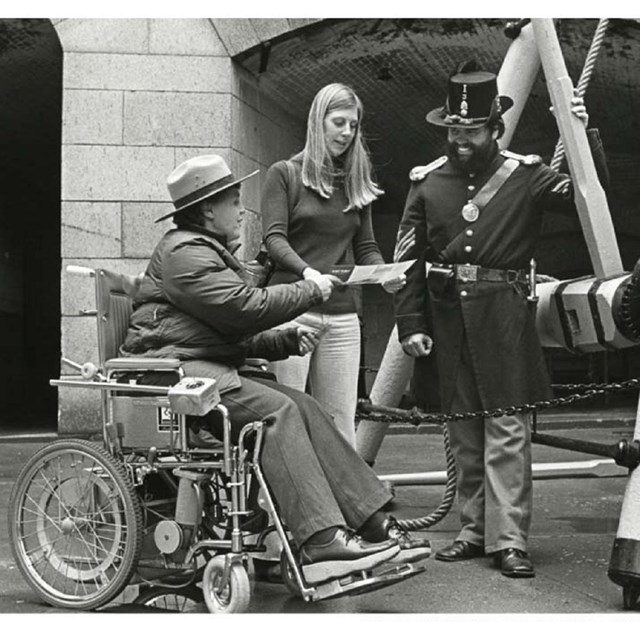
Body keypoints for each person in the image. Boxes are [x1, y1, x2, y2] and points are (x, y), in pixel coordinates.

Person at [120, 154, 430, 584]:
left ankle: (371, 520)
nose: (242, 211)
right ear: (208, 209)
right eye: (234, 201)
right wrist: (309, 288)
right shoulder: (184, 254)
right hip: (171, 373)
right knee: (277, 412)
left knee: (303, 406)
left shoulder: (202, 252)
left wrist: (284, 340)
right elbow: (244, 311)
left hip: (198, 363)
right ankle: (321, 540)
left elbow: (222, 330)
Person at [393, 62, 600, 579]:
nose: (460, 141)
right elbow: (407, 264)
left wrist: (582, 134)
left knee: (507, 431)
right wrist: (411, 323)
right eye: (454, 131)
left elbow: (583, 194)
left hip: (504, 318)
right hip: (447, 322)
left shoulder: (525, 175)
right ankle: (472, 530)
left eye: (471, 131)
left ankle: (509, 540)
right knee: (463, 429)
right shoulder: (426, 184)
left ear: (495, 129)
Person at [261, 83, 405, 447]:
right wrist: (308, 274)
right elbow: (274, 240)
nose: (346, 133)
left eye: (353, 125)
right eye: (338, 122)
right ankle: (276, 499)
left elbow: (366, 246)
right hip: (291, 309)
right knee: (284, 415)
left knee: (341, 420)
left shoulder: (355, 180)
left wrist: (384, 275)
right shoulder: (284, 174)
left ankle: (348, 503)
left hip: (342, 315)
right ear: (318, 122)